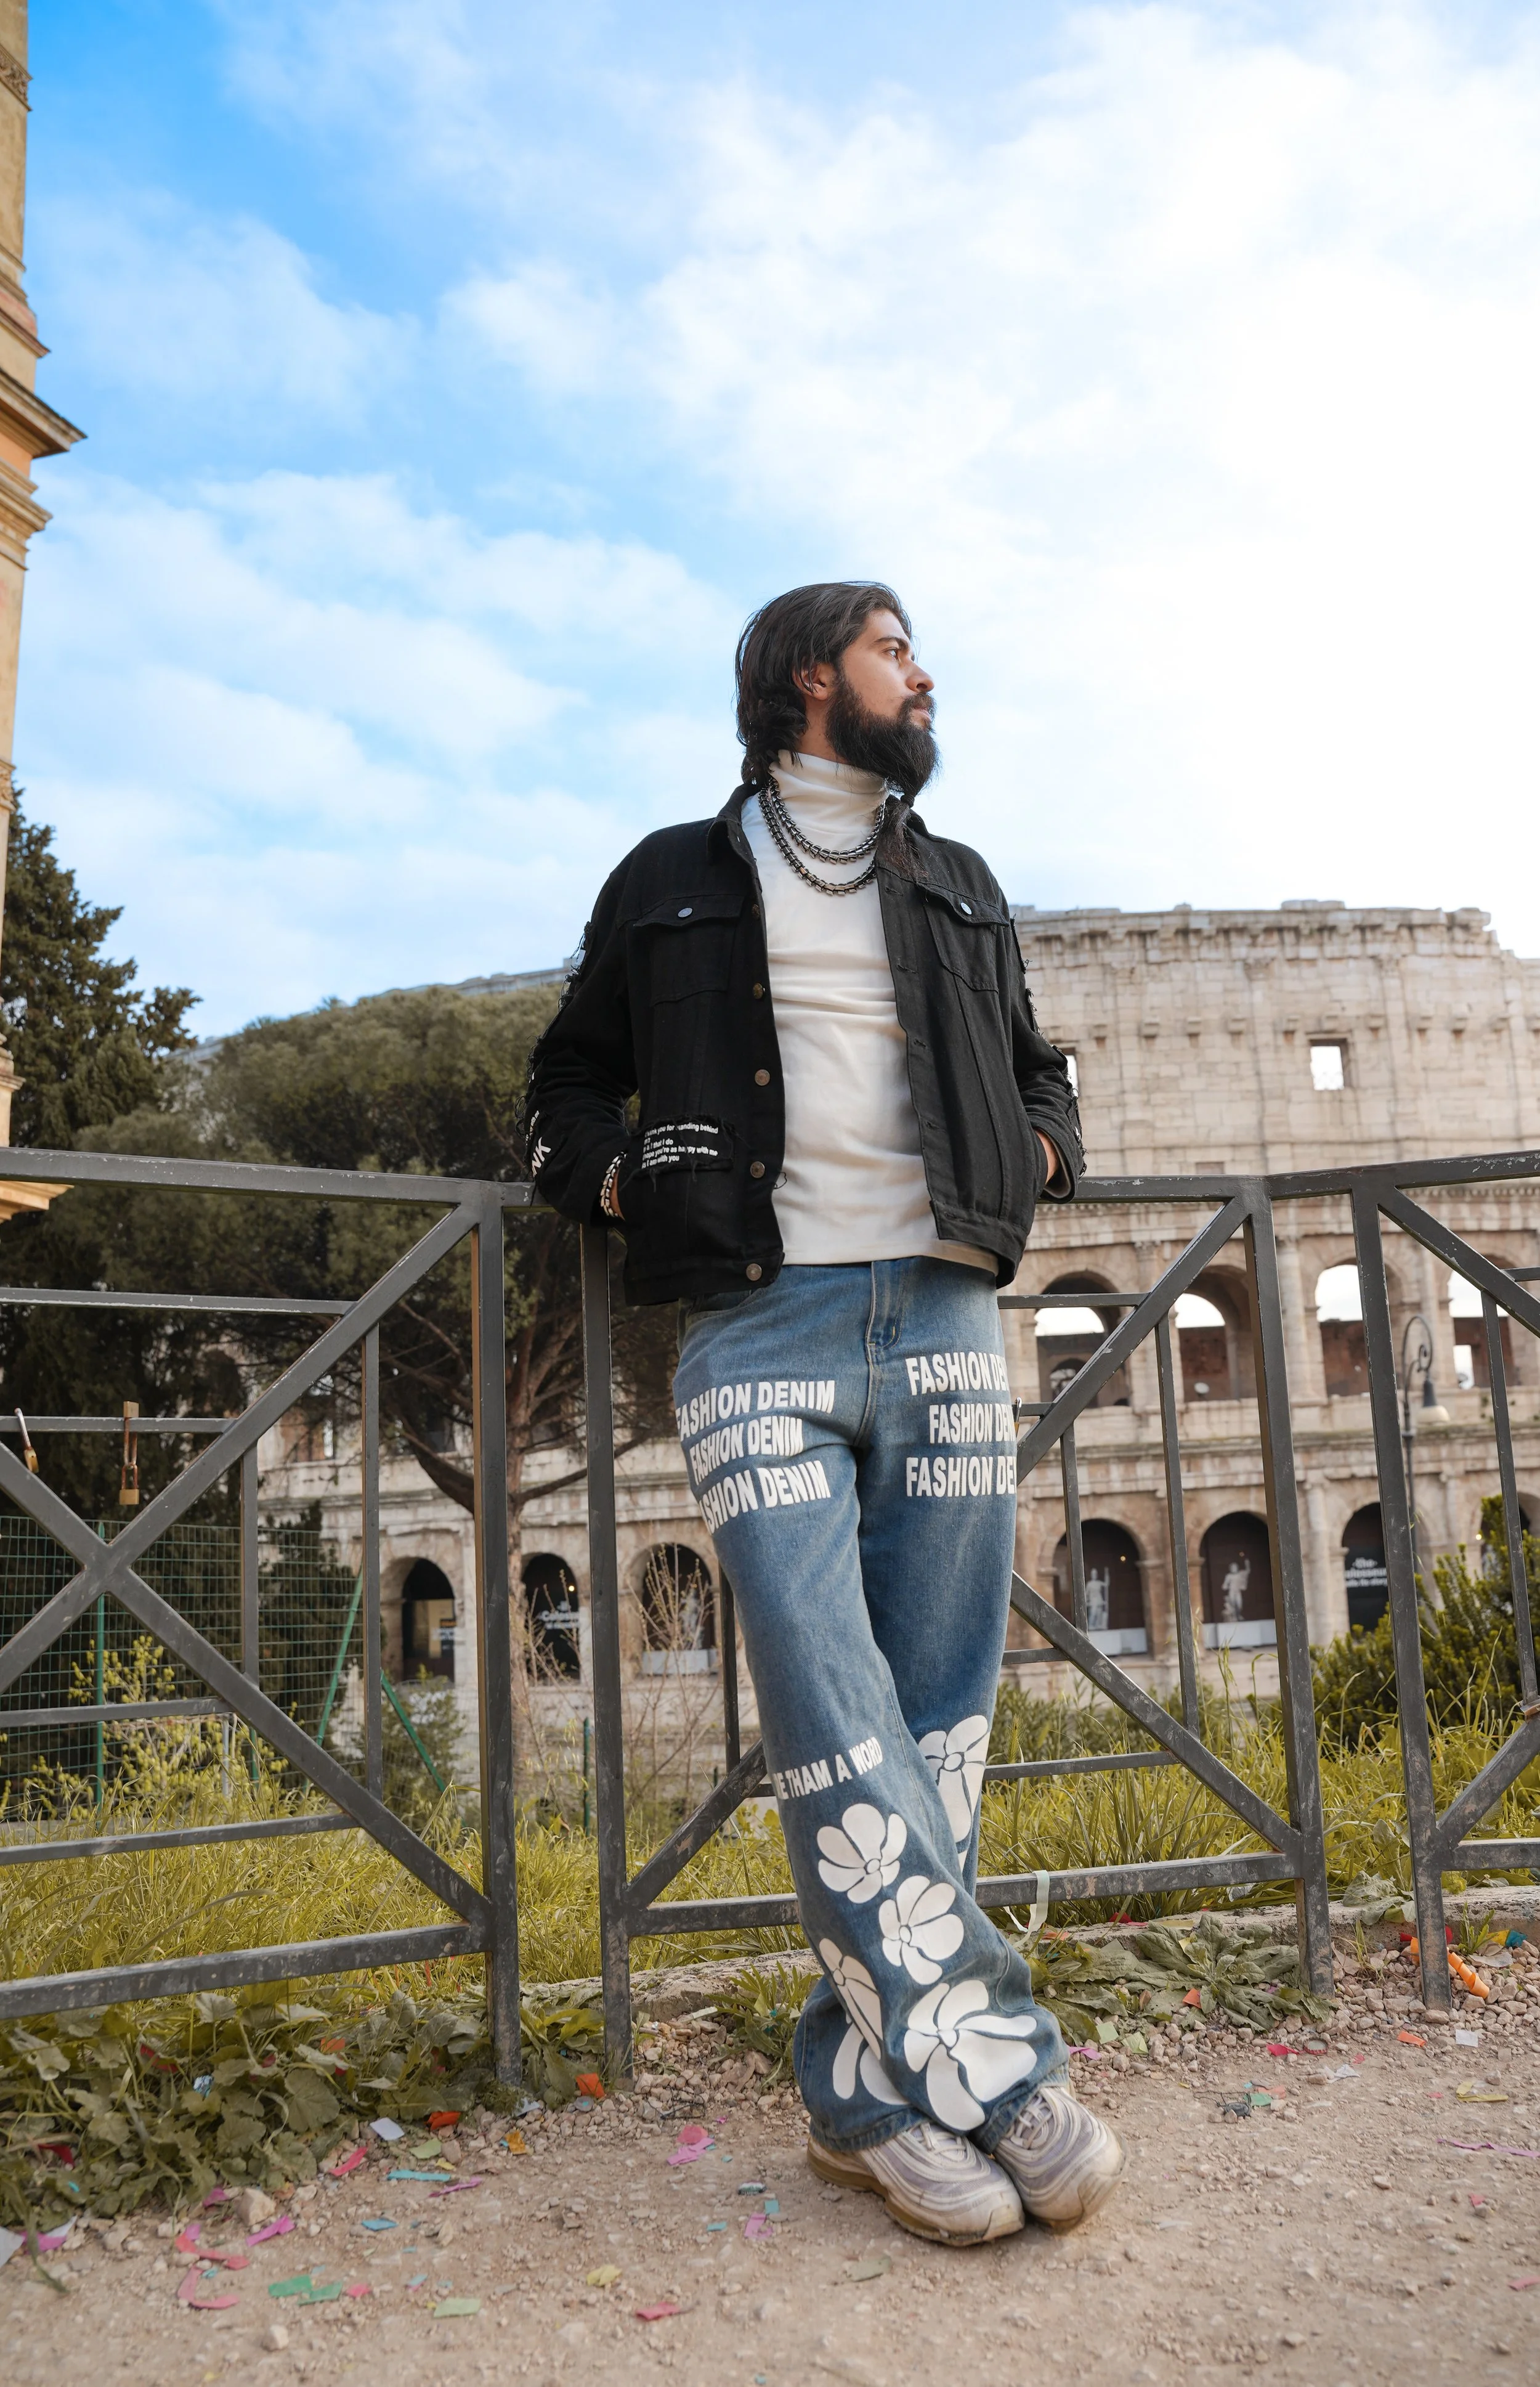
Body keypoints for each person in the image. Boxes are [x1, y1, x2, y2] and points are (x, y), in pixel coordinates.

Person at [527, 581, 1125, 2245]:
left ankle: (865, 2102)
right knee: (829, 1707)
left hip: (939, 1321)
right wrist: (608, 1175)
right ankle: (1002, 2072)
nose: (921, 678)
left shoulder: (958, 880)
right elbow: (563, 1081)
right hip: (752, 1332)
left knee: (936, 1723)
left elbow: (1035, 1070)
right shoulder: (667, 882)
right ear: (810, 680)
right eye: (892, 652)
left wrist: (1040, 1156)